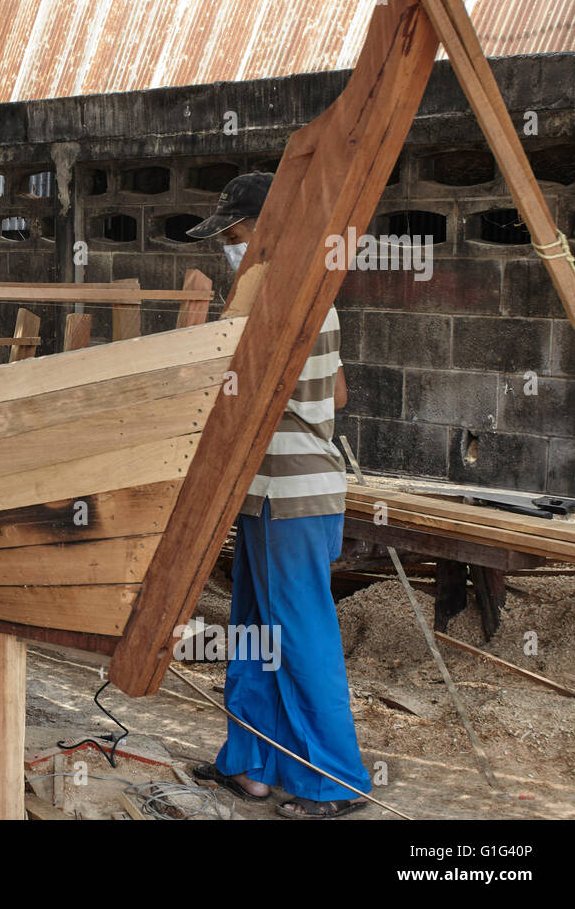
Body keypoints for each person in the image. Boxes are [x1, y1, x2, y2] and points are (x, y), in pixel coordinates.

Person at [185, 172, 371, 818]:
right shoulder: (314, 293)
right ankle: (252, 765)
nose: (230, 251)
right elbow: (338, 393)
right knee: (255, 636)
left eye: (236, 237)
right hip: (273, 494)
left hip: (292, 496)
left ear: (269, 233)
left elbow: (238, 392)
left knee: (299, 637)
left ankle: (335, 781)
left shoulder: (282, 296)